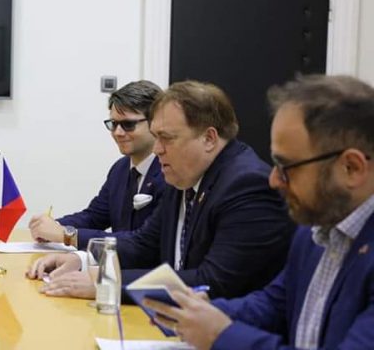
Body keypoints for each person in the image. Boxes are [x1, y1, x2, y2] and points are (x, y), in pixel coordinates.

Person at [145, 75, 374, 350]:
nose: (274, 180)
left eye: (287, 167)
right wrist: (201, 313)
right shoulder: (314, 231)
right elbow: (274, 305)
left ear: (352, 168)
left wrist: (220, 335)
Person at [27, 81, 295, 301]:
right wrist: (83, 262)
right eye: (156, 137)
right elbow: (144, 245)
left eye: (167, 138)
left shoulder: (247, 185)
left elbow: (212, 281)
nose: (157, 149)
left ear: (209, 138)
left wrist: (107, 282)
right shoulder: (185, 175)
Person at [28, 80, 165, 249]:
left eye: (128, 125)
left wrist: (66, 235)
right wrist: (53, 226)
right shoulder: (120, 169)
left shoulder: (169, 173)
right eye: (113, 124)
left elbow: (141, 241)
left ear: (155, 123)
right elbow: (94, 217)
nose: (118, 132)